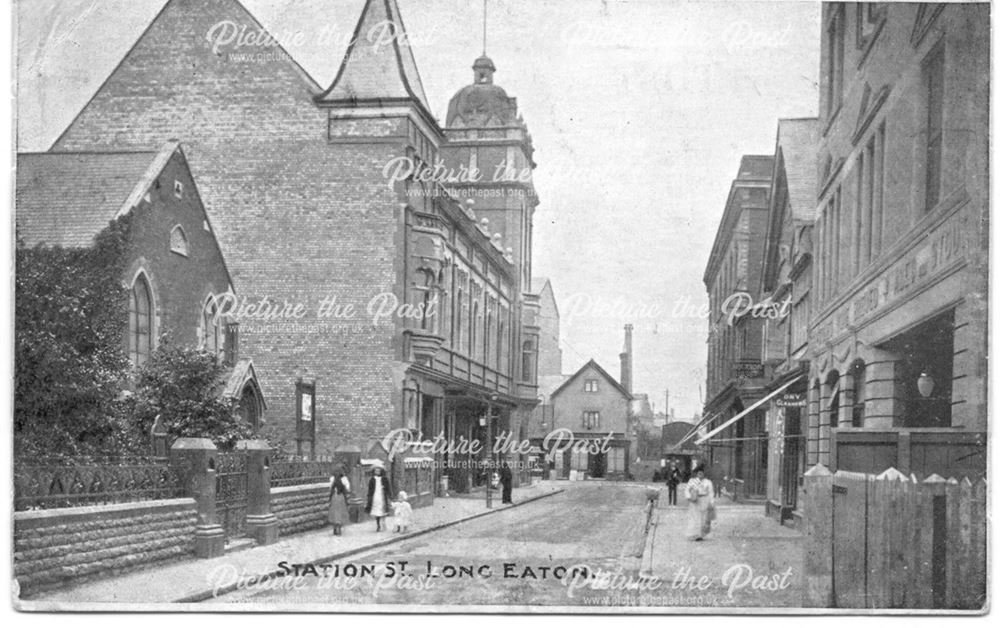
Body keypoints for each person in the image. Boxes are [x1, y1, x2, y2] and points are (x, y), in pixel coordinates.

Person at [685, 466, 715, 541]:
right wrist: (689, 497)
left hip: (704, 500)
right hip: (695, 500)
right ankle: (695, 534)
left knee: (704, 517)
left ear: (704, 474)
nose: (700, 474)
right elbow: (687, 490)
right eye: (699, 473)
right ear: (696, 474)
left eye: (702, 473)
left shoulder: (708, 482)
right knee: (695, 517)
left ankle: (702, 534)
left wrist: (711, 502)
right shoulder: (692, 481)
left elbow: (711, 493)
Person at [365, 461, 393, 532]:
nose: (377, 472)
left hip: (382, 496)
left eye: (379, 470)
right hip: (375, 497)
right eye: (376, 470)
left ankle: (383, 523)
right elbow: (370, 489)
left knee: (383, 510)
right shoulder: (372, 479)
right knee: (377, 511)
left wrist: (389, 495)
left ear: (381, 471)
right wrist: (369, 497)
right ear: (374, 471)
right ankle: (378, 525)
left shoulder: (384, 479)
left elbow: (388, 488)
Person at [328, 467, 351, 535]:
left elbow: (347, 488)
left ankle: (338, 528)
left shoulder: (343, 479)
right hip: (336, 497)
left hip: (339, 497)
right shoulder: (334, 479)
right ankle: (336, 528)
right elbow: (330, 488)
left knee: (339, 512)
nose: (337, 473)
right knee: (335, 513)